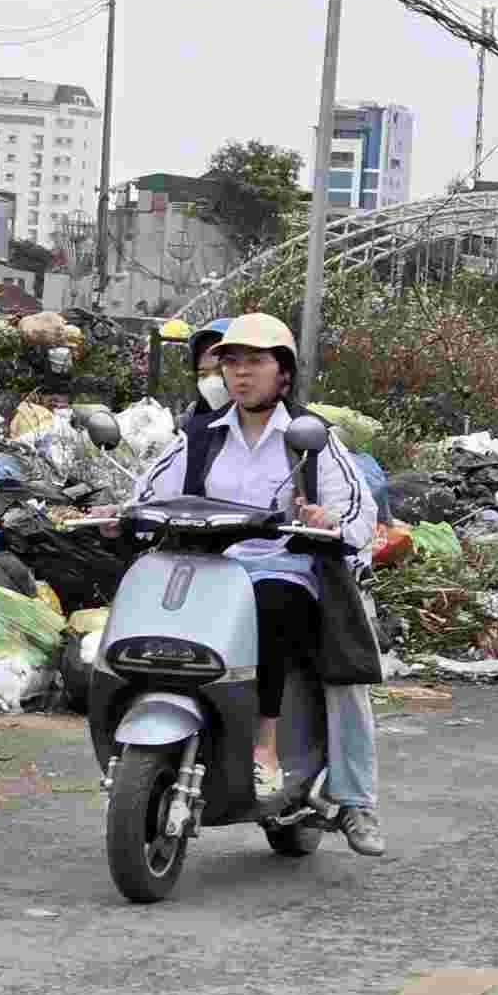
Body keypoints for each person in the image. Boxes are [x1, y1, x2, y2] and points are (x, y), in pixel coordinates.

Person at [117, 313, 386, 857]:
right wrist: (116, 513)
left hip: (286, 570)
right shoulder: (200, 436)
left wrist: (324, 519)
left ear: (283, 374)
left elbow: (359, 515)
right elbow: (148, 493)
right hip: (209, 570)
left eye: (256, 363)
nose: (242, 374)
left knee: (312, 641)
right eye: (232, 362)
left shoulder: (311, 439)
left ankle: (328, 782)